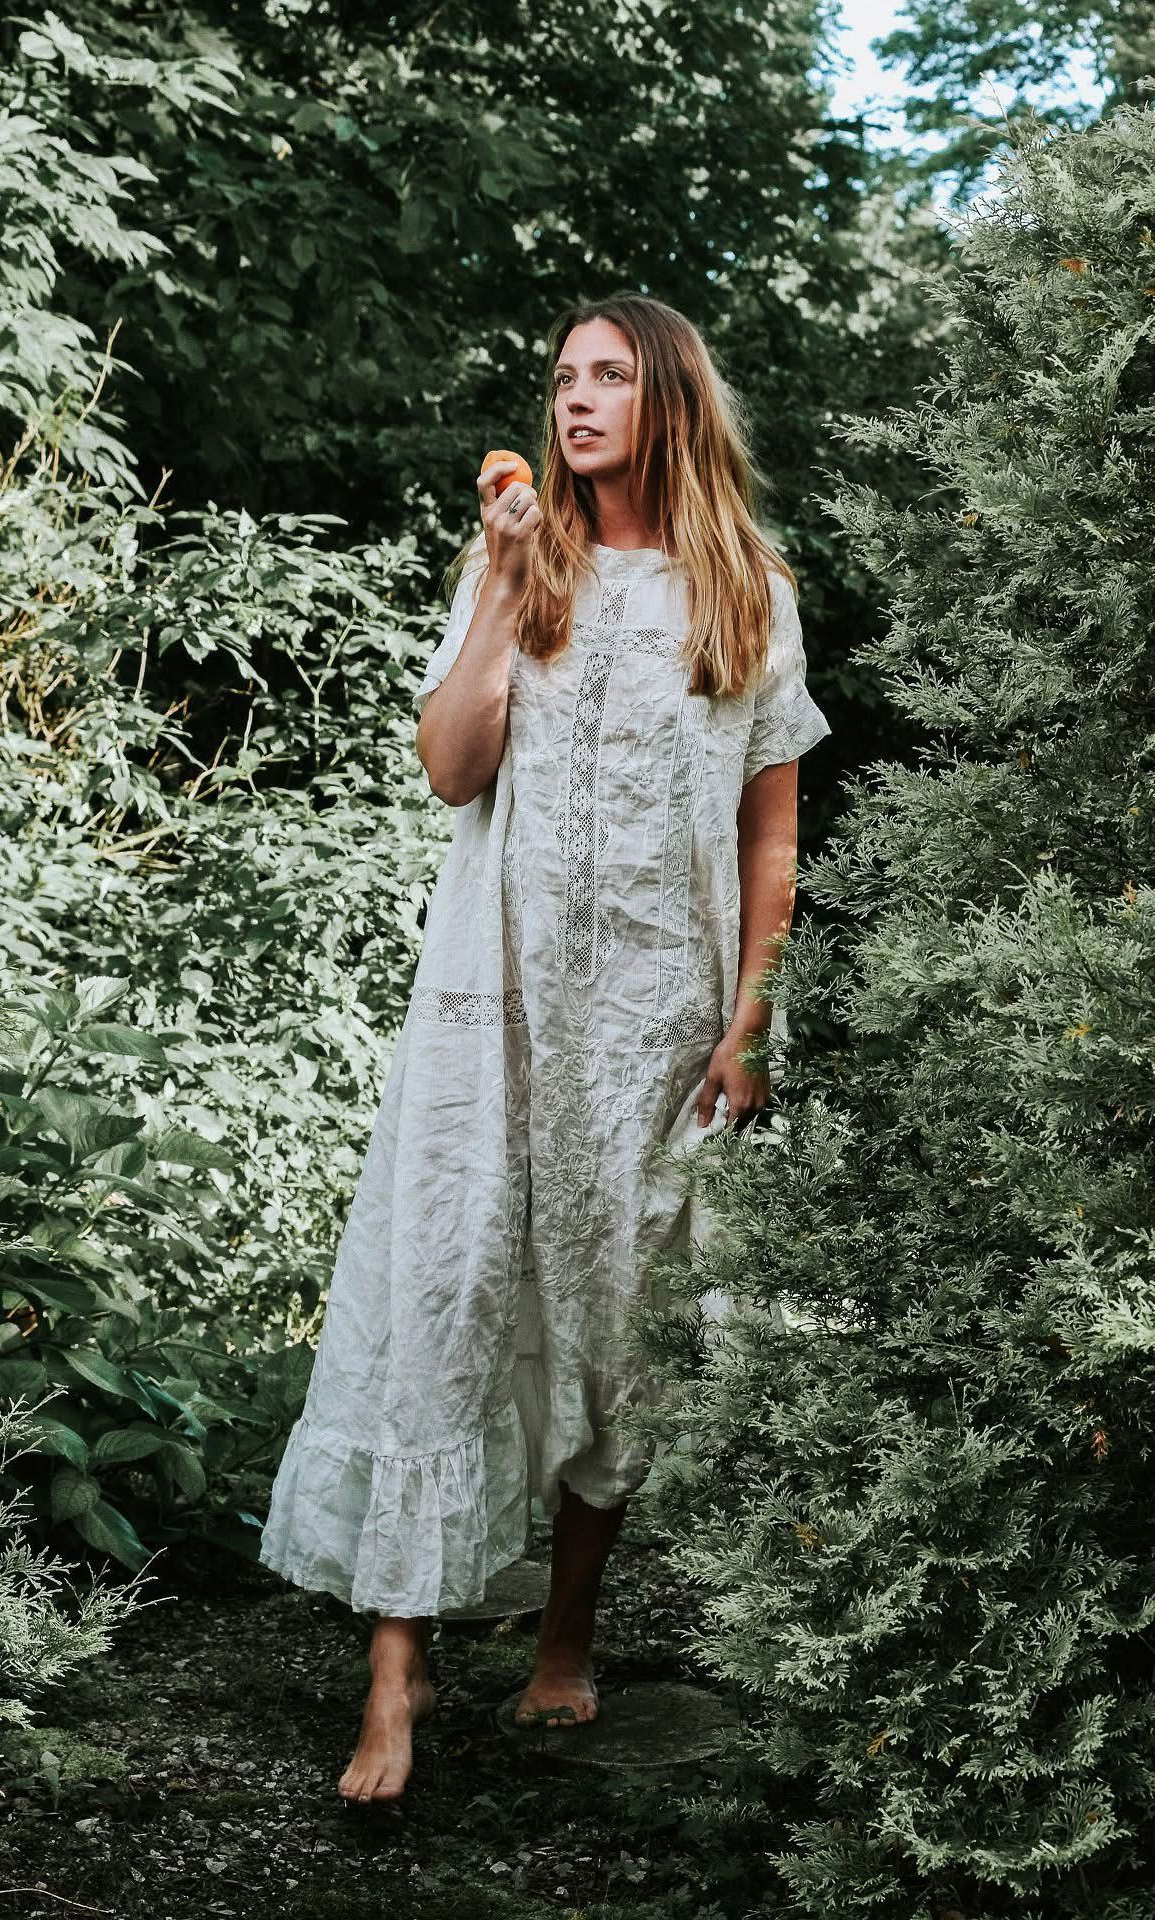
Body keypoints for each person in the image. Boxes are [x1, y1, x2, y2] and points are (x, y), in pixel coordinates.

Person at [260, 291, 833, 1804]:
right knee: (447, 1284)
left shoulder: (748, 591)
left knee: (616, 1326)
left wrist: (751, 1017)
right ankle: (395, 1672)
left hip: (654, 1023)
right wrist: (509, 589)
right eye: (563, 378)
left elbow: (771, 826)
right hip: (489, 1007)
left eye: (609, 378)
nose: (576, 401)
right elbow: (453, 769)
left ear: (668, 402)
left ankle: (564, 1639)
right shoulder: (519, 563)